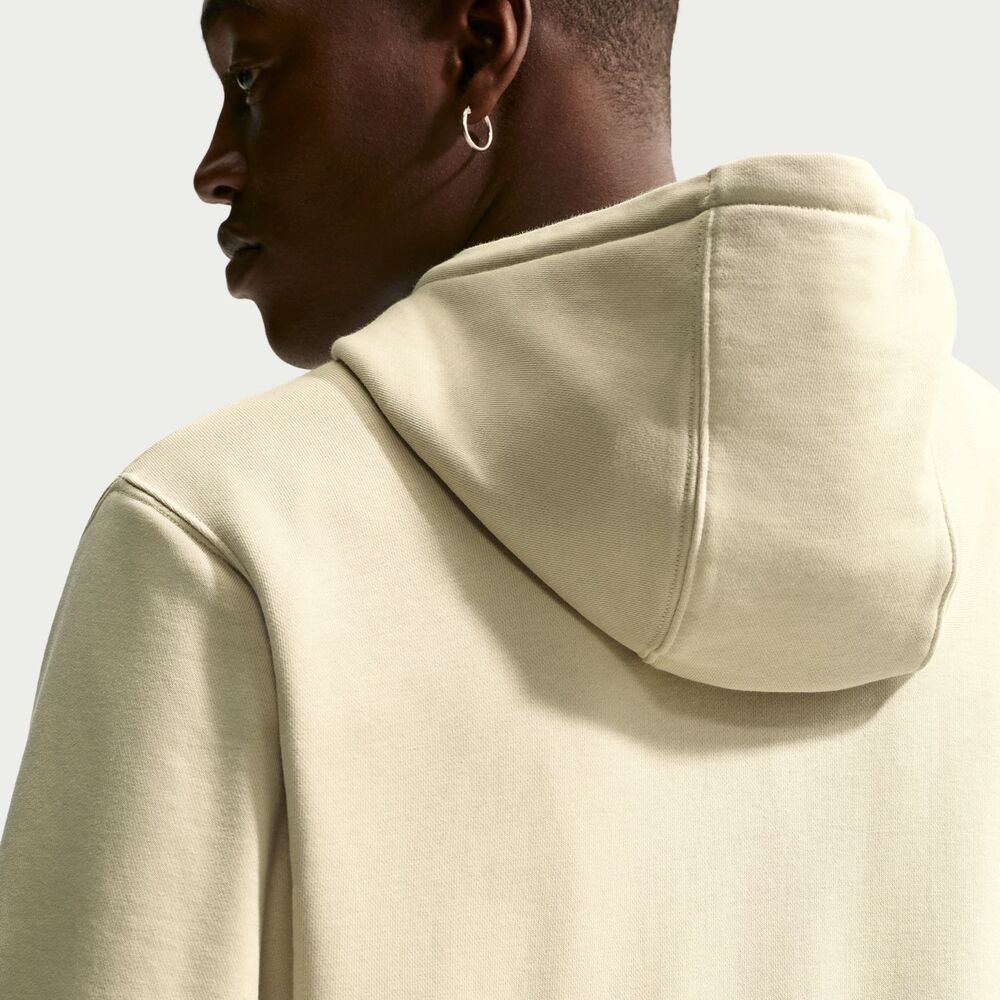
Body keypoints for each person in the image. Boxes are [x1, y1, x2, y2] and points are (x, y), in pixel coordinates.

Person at [1, 0, 997, 997]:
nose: (213, 166)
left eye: (251, 79)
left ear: (478, 47)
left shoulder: (221, 541)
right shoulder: (980, 484)